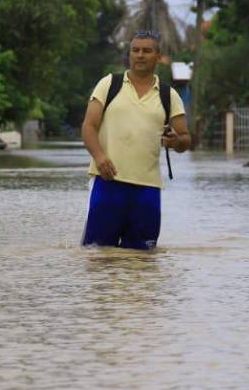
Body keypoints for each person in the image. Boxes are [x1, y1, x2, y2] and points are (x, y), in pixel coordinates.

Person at [80, 30, 191, 250]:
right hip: (108, 183)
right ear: (130, 55)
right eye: (135, 50)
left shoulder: (169, 95)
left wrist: (175, 142)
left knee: (143, 260)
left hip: (147, 191)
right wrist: (100, 157)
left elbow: (185, 139)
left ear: (158, 57)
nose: (140, 55)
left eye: (147, 51)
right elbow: (88, 127)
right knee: (97, 255)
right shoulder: (109, 84)